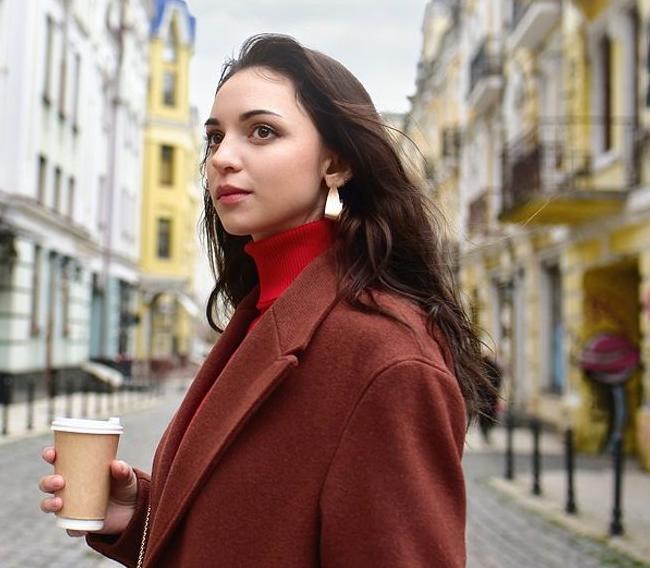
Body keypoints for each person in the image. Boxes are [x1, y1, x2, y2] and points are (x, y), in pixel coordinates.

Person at [39, 34, 492, 567]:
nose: (222, 158)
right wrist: (141, 513)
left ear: (337, 163)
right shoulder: (262, 309)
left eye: (262, 131)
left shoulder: (386, 358)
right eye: (214, 137)